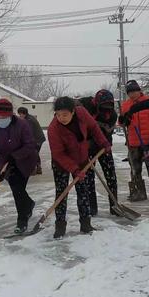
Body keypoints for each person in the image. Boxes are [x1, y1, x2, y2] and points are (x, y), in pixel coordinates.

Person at [48, 96, 111, 238]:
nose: (61, 118)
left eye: (65, 114)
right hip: (61, 164)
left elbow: (94, 128)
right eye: (58, 114)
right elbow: (58, 153)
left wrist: (103, 142)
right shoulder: (54, 129)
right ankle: (60, 226)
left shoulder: (82, 113)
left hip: (81, 159)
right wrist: (74, 169)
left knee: (83, 192)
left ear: (73, 112)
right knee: (61, 193)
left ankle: (85, 224)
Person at [0, 98, 38, 234]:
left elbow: (30, 145)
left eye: (3, 116)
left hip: (25, 160)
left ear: (10, 115)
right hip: (5, 163)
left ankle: (22, 219)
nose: (0, 118)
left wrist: (15, 155)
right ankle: (28, 207)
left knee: (18, 188)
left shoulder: (22, 124)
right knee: (17, 188)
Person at [119, 80, 149, 201]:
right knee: (135, 170)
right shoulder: (125, 105)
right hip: (133, 143)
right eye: (130, 92)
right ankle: (137, 192)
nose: (132, 94)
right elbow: (122, 123)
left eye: (134, 91)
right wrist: (123, 120)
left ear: (139, 90)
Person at [78, 89, 119, 216]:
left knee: (111, 175)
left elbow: (107, 133)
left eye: (109, 108)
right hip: (87, 146)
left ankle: (114, 206)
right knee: (89, 178)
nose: (106, 111)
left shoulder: (112, 116)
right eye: (104, 108)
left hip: (103, 146)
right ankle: (92, 207)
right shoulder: (85, 105)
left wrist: (105, 144)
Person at [17, 107, 46, 175]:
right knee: (35, 153)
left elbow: (29, 132)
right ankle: (38, 168)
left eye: (20, 114)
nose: (20, 116)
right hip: (38, 139)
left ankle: (33, 169)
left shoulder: (28, 120)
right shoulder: (29, 117)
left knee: (32, 154)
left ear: (24, 113)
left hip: (37, 139)